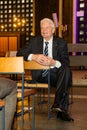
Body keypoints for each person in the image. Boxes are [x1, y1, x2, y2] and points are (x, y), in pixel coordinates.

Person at [17, 18, 74, 121]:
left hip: (55, 75)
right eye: (42, 27)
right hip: (39, 76)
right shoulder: (34, 41)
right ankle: (60, 108)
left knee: (66, 71)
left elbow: (66, 62)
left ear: (53, 30)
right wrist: (33, 56)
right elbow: (20, 53)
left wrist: (53, 62)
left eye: (47, 27)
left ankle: (58, 105)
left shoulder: (61, 43)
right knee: (65, 78)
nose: (44, 30)